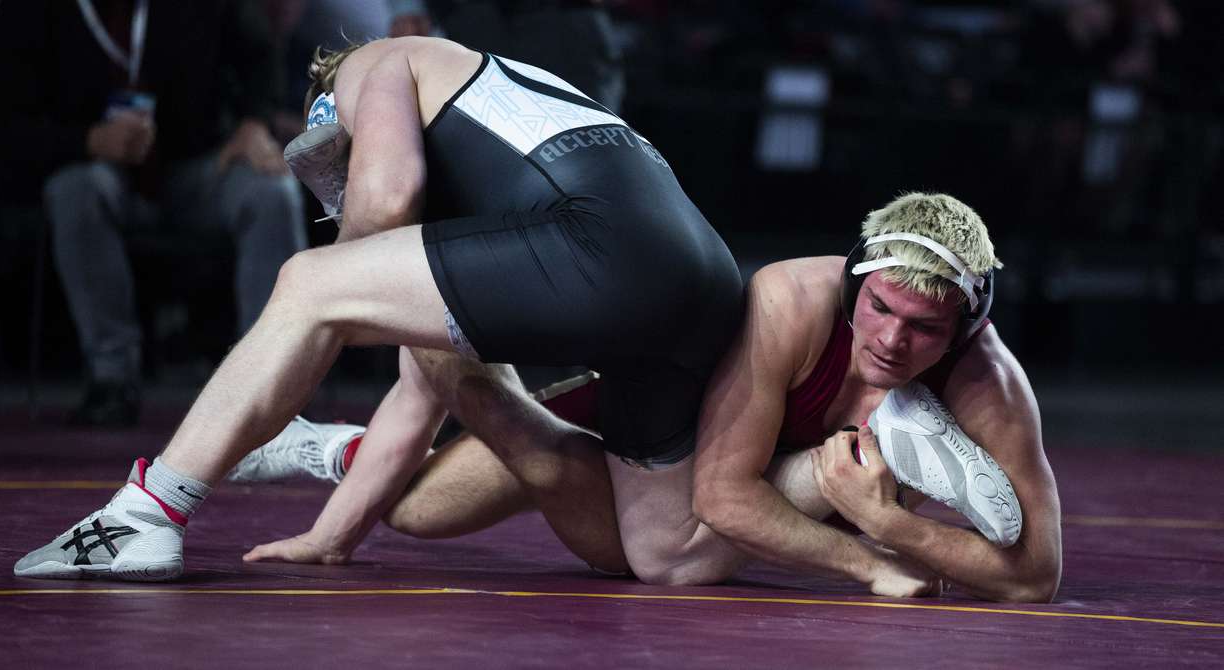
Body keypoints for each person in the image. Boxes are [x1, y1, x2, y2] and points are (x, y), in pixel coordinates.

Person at [14, 35, 742, 582]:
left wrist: (344, 277)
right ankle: (809, 491)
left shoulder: (372, 64)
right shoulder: (507, 112)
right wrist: (332, 537)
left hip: (600, 242)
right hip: (703, 274)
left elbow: (388, 193)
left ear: (328, 106)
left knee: (308, 280)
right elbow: (418, 391)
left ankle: (144, 515)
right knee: (666, 554)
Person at [234, 193, 1062, 602]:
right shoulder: (794, 302)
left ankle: (369, 432)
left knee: (655, 547)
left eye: (923, 329)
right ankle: (402, 353)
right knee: (418, 511)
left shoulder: (988, 383)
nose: (888, 340)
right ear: (854, 278)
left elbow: (1036, 578)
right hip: (664, 453)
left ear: (967, 324)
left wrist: (884, 519)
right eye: (879, 307)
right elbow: (717, 495)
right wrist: (871, 555)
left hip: (748, 500)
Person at [0, 0, 308, 426]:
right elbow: (10, 128)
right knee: (74, 190)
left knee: (274, 192)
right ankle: (112, 377)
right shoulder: (32, 12)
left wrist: (255, 122)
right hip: (98, 172)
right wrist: (85, 141)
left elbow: (261, 56)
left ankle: (273, 380)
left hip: (197, 167)